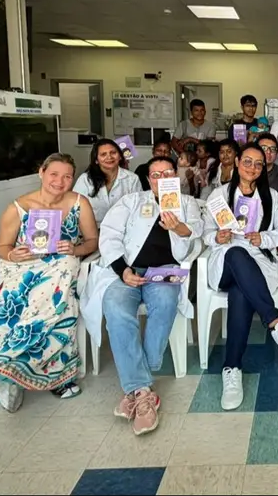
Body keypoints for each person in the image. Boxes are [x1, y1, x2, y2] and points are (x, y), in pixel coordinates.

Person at [86, 156, 201, 435]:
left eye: (168, 173)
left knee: (165, 303)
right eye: (156, 175)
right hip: (127, 271)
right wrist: (122, 270)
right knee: (115, 308)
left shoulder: (187, 203)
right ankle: (143, 390)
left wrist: (177, 226)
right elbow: (109, 236)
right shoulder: (132, 201)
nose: (162, 178)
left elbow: (196, 232)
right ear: (149, 180)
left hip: (164, 271)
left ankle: (137, 386)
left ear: (176, 177)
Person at [0, 153, 99, 412]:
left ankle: (21, 369)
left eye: (67, 176)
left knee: (63, 277)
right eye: (54, 174)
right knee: (11, 303)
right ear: (41, 173)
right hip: (22, 269)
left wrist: (75, 249)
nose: (60, 181)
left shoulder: (79, 203)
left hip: (61, 269)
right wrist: (13, 255)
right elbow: (1, 247)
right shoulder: (19, 207)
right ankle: (12, 374)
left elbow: (93, 241)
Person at [202, 143, 278, 410]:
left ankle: (232, 368)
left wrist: (264, 238)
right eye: (247, 161)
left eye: (258, 164)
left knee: (240, 292)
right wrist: (217, 237)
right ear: (237, 162)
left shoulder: (271, 196)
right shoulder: (219, 196)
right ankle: (276, 323)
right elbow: (205, 233)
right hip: (225, 261)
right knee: (236, 253)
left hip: (259, 262)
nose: (252, 168)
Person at [74, 139, 142, 225]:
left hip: (123, 229)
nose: (109, 157)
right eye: (103, 154)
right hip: (92, 229)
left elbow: (138, 208)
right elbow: (75, 209)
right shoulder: (85, 179)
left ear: (120, 156)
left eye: (113, 153)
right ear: (96, 160)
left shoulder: (132, 178)